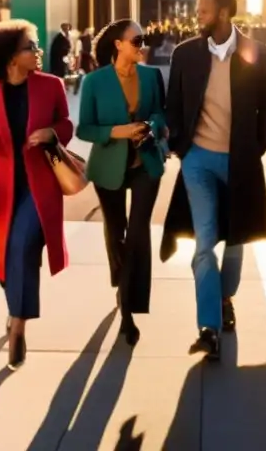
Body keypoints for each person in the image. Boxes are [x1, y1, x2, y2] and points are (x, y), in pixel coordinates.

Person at [160, 0, 266, 361]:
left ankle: (225, 297)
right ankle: (208, 326)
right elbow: (174, 104)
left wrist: (258, 146)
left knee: (237, 237)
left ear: (225, 14)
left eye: (204, 10)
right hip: (198, 159)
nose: (198, 15)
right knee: (205, 240)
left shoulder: (256, 54)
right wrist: (180, 146)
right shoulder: (185, 54)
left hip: (240, 161)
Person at [0, 19, 74, 370]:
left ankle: (18, 328)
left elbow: (67, 125)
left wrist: (51, 132)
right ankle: (15, 302)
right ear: (10, 56)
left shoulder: (51, 85)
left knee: (24, 247)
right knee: (6, 262)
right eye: (30, 47)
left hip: (39, 187)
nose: (37, 52)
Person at [77, 19, 167, 347]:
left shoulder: (152, 75)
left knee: (139, 233)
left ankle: (129, 308)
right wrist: (117, 131)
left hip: (146, 163)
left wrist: (150, 126)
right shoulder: (94, 82)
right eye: (137, 40)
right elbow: (84, 129)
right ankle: (122, 285)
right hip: (108, 168)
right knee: (116, 232)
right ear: (118, 44)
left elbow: (161, 113)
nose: (142, 45)